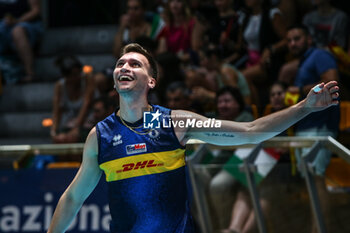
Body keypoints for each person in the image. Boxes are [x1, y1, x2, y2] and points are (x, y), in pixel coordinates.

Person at [47, 43, 339, 233]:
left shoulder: (175, 122)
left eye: (135, 64)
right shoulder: (100, 135)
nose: (125, 67)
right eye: (121, 64)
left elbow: (250, 132)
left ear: (151, 81)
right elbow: (73, 197)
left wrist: (305, 107)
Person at [285, 24, 340, 233]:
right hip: (306, 127)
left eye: (297, 38)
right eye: (289, 40)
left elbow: (332, 81)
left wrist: (299, 90)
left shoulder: (319, 55)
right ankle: (314, 228)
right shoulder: (303, 62)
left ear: (308, 39)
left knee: (316, 178)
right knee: (310, 181)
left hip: (319, 127)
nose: (292, 43)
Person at [51, 55, 96, 144]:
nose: (78, 77)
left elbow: (86, 104)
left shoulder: (87, 79)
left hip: (88, 122)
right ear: (66, 76)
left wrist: (76, 128)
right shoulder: (60, 86)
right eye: (74, 75)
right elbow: (57, 111)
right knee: (60, 140)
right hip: (69, 123)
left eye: (79, 73)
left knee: (73, 138)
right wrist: (54, 131)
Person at [0, 0, 43, 83]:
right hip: (4, 25)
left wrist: (17, 21)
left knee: (17, 31)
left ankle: (30, 73)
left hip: (26, 24)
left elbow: (35, 11)